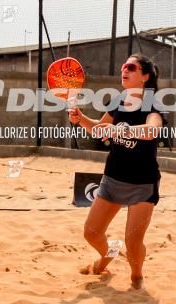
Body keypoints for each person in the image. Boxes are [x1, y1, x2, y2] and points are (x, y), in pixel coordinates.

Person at [68, 55, 164, 290]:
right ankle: (108, 254)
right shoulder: (119, 100)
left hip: (142, 184)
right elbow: (100, 129)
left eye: (131, 67)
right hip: (113, 178)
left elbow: (152, 131)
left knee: (133, 242)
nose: (125, 70)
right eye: (123, 66)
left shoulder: (152, 105)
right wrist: (81, 120)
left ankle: (136, 275)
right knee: (91, 232)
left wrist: (122, 131)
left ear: (145, 76)